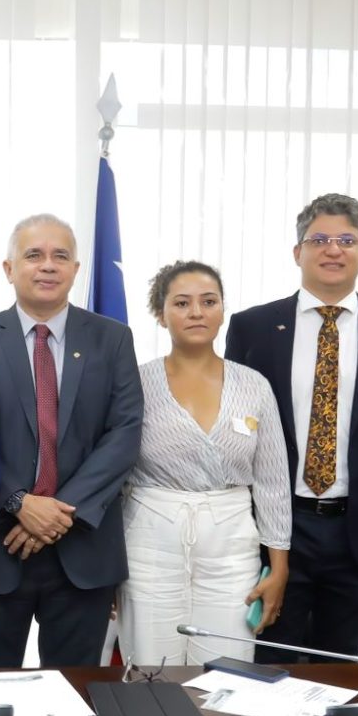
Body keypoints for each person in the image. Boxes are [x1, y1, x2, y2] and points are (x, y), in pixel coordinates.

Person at [224, 194, 358, 663]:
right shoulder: (254, 327)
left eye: (346, 240)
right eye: (319, 239)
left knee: (340, 667)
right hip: (276, 527)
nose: (333, 249)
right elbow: (235, 430)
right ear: (298, 252)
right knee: (269, 661)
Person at [0, 213, 142, 668]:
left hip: (83, 548)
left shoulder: (113, 338)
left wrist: (57, 513)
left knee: (75, 693)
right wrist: (19, 503)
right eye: (34, 255)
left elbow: (124, 432)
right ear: (9, 268)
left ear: (75, 269)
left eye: (60, 256)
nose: (48, 265)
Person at [119, 261, 290, 667]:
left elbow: (273, 485)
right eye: (182, 303)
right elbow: (113, 473)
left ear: (223, 310)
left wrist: (278, 569)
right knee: (152, 672)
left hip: (232, 549)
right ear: (161, 314)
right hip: (149, 544)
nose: (196, 312)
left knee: (225, 674)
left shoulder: (254, 386)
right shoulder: (134, 383)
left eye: (208, 301)